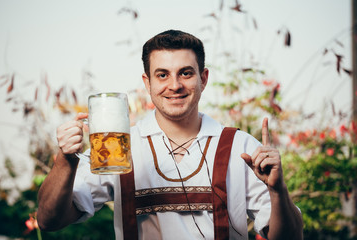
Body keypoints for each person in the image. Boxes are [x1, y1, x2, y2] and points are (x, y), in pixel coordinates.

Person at [37, 30, 303, 239]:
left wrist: (278, 191)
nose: (174, 85)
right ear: (147, 83)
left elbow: (290, 238)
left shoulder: (239, 146)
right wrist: (65, 161)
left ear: (204, 78)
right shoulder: (118, 148)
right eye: (162, 75)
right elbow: (49, 221)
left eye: (185, 73)